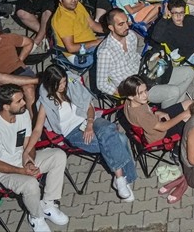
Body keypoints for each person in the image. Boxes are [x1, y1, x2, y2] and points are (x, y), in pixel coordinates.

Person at [36, 65, 137, 201]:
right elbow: (37, 129)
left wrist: (90, 123)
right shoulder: (45, 103)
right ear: (50, 84)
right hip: (73, 133)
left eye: (64, 81)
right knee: (120, 138)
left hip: (90, 120)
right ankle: (126, 177)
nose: (63, 86)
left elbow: (89, 107)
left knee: (108, 132)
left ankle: (119, 178)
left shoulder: (72, 86)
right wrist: (28, 149)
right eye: (59, 84)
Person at [0, 85, 70, 232]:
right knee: (30, 184)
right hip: (1, 173)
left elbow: (28, 142)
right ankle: (36, 217)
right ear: (6, 106)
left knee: (58, 155)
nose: (24, 103)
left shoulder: (23, 113)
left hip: (20, 160)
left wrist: (29, 160)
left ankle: (48, 203)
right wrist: (22, 171)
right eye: (19, 101)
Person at [95, 9, 194, 106]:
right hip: (136, 87)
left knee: (189, 73)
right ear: (111, 28)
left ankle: (175, 107)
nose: (126, 27)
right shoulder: (105, 52)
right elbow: (101, 84)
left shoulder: (130, 36)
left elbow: (135, 56)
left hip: (147, 72)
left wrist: (152, 62)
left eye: (126, 22)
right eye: (121, 24)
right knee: (173, 91)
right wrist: (127, 93)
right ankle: (167, 116)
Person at [116, 74, 191, 145]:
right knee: (191, 117)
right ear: (131, 96)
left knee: (189, 103)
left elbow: (147, 112)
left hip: (153, 119)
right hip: (160, 134)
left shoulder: (129, 101)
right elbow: (163, 128)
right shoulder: (142, 115)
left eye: (145, 90)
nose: (145, 95)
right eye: (140, 93)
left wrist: (157, 112)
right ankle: (178, 149)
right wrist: (183, 115)